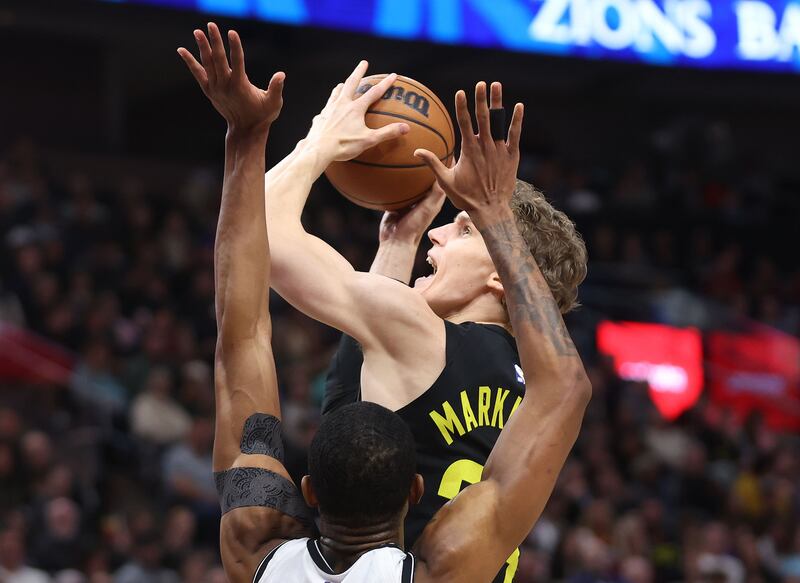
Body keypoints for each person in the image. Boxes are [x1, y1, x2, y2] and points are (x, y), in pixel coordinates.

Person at [178, 22, 590, 582]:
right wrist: (403, 242)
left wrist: (316, 141)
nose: (440, 235)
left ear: (501, 272)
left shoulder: (419, 332)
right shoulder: (527, 392)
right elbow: (366, 379)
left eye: (463, 230)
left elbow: (260, 250)